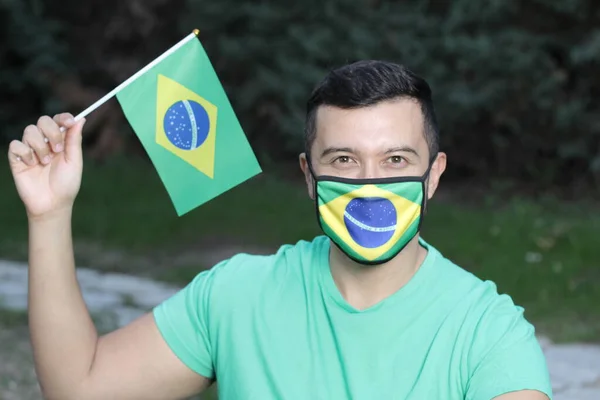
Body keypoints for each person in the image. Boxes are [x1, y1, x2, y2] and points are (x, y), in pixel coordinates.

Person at [8, 60, 552, 400]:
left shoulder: (488, 334)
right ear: (308, 177)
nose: (367, 185)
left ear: (433, 176)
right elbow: (78, 388)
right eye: (342, 159)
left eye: (394, 160)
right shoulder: (237, 296)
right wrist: (49, 215)